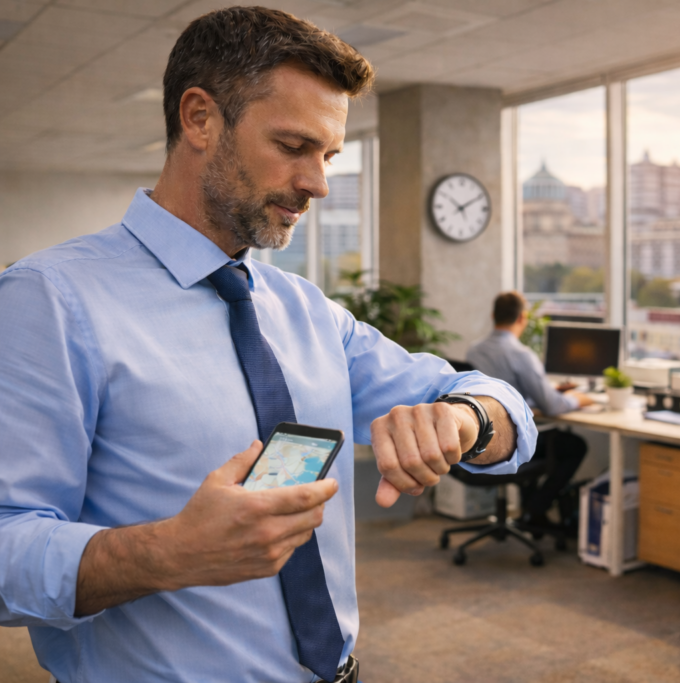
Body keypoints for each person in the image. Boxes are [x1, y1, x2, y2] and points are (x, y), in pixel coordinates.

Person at [0, 8, 536, 683]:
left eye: (328, 155)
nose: (318, 183)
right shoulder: (49, 299)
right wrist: (168, 552)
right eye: (293, 145)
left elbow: (503, 408)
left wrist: (463, 419)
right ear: (200, 118)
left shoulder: (306, 310)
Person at [467, 291, 591, 529]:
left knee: (538, 440)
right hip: (510, 441)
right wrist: (578, 400)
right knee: (574, 446)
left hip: (480, 439)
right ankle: (536, 509)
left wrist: (544, 392)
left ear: (493, 316)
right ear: (522, 318)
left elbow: (497, 391)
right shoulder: (520, 354)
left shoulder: (474, 351)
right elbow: (552, 406)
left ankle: (532, 513)